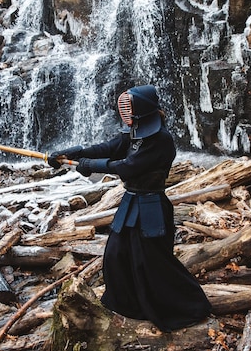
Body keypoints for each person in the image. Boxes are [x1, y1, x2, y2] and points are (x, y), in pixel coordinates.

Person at [48, 84, 212, 332]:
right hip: (132, 201)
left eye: (129, 109)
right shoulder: (135, 132)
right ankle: (128, 305)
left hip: (151, 206)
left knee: (153, 261)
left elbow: (127, 166)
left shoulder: (161, 140)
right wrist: (74, 152)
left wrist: (88, 164)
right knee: (116, 254)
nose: (126, 114)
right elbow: (110, 147)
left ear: (142, 110)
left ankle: (189, 306)